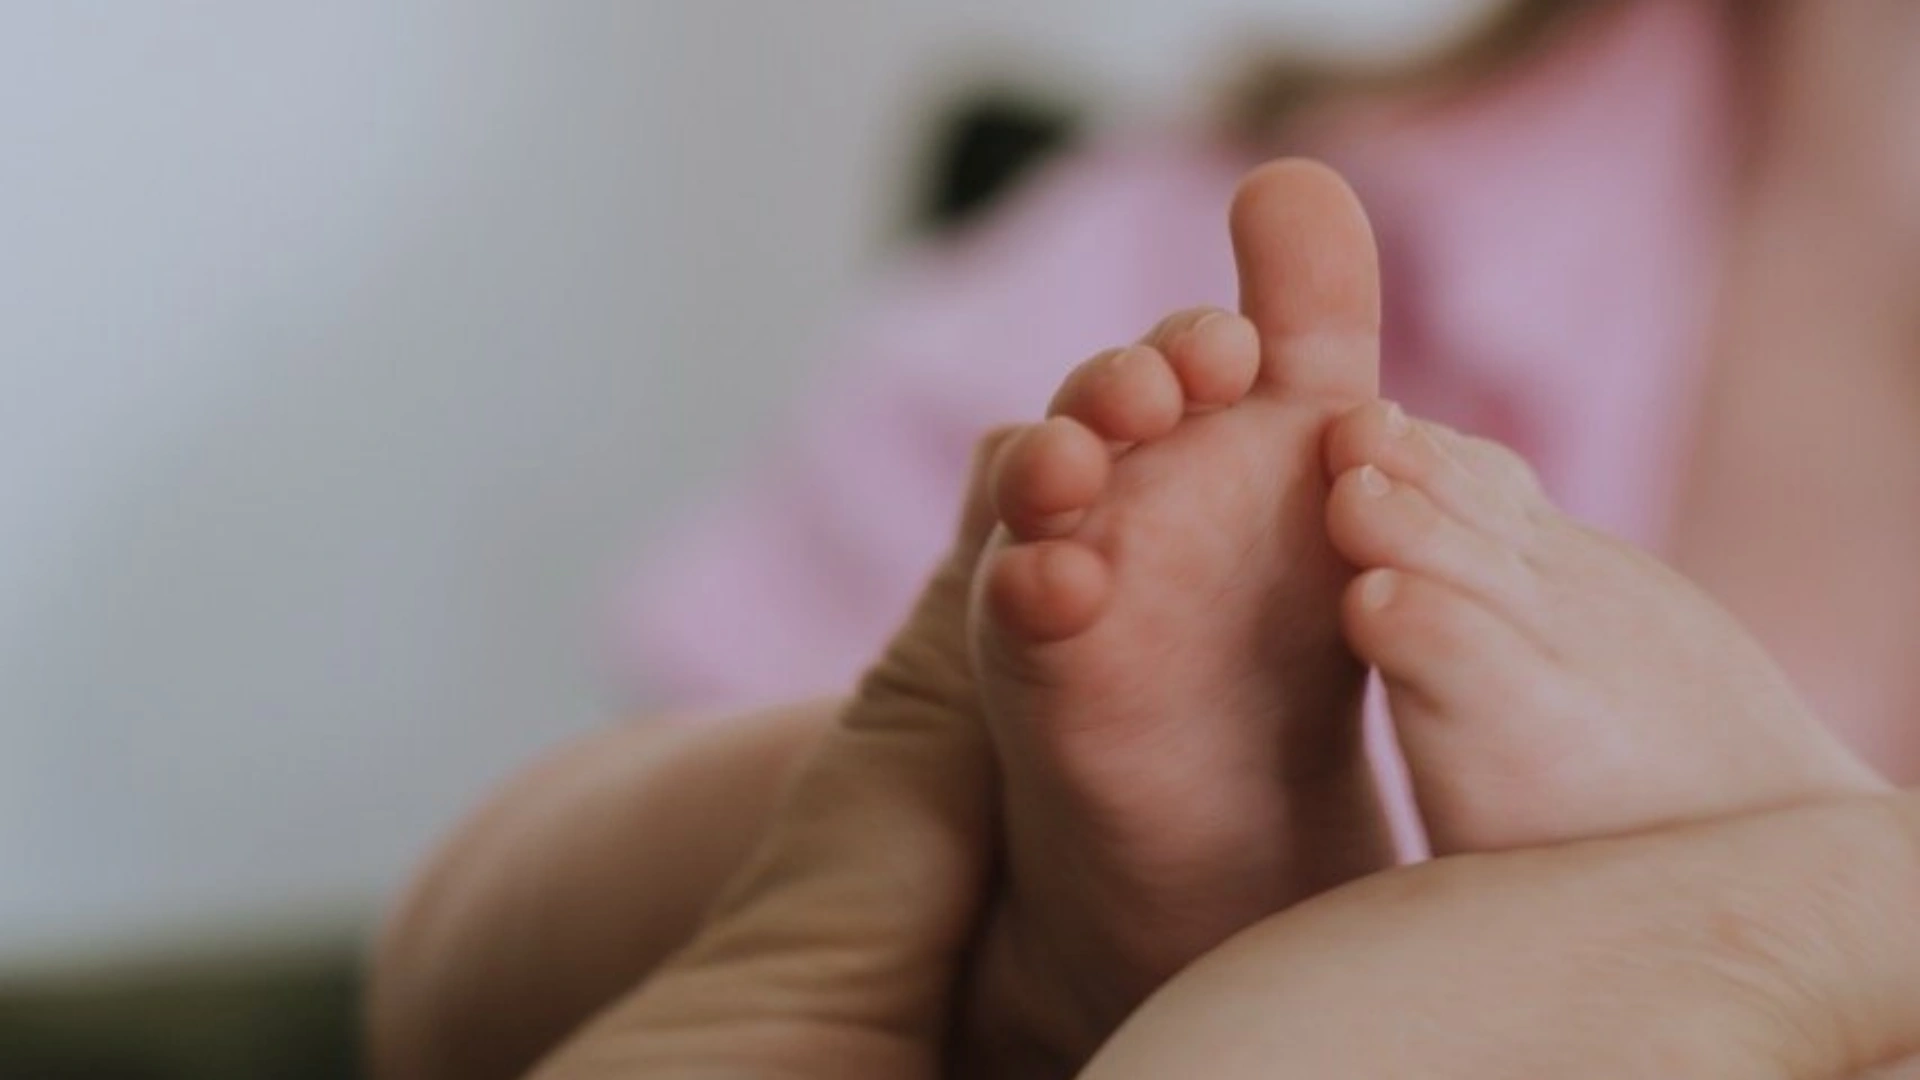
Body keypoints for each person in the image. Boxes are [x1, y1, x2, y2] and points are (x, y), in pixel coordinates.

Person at [367, 2, 1920, 1076]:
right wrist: (992, 833)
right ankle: (991, 896)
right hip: (728, 954)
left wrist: (1798, 882)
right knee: (595, 883)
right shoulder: (1266, 230)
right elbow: (450, 1001)